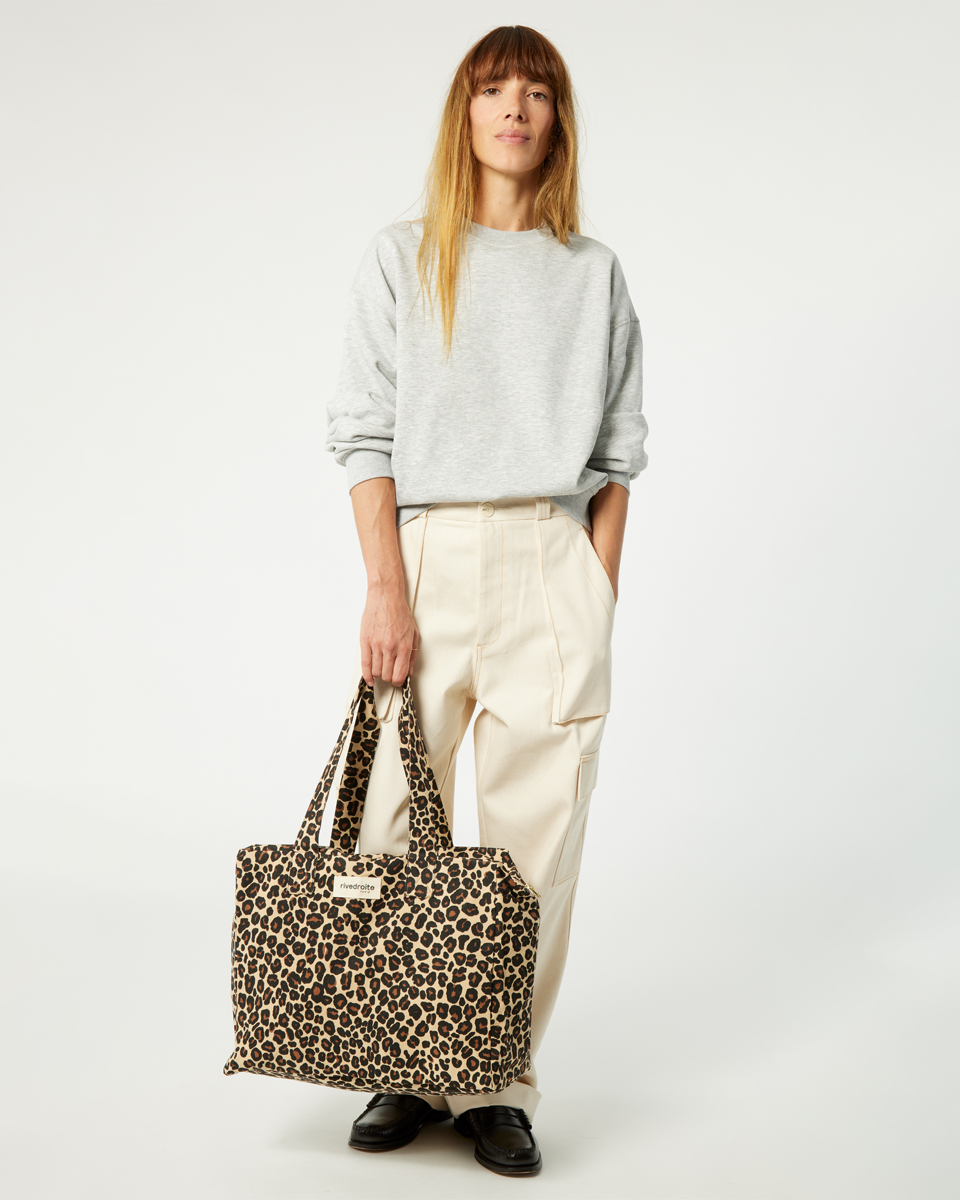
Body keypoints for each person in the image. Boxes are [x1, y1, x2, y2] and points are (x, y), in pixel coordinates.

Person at [325, 24, 648, 1177]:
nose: (516, 107)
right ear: (463, 114)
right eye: (493, 88)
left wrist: (593, 595)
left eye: (538, 91)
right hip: (428, 557)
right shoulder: (404, 258)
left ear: (559, 120)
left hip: (550, 559)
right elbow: (364, 434)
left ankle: (495, 1082)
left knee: (533, 847)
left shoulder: (592, 275)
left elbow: (617, 458)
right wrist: (385, 587)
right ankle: (403, 1065)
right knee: (387, 824)